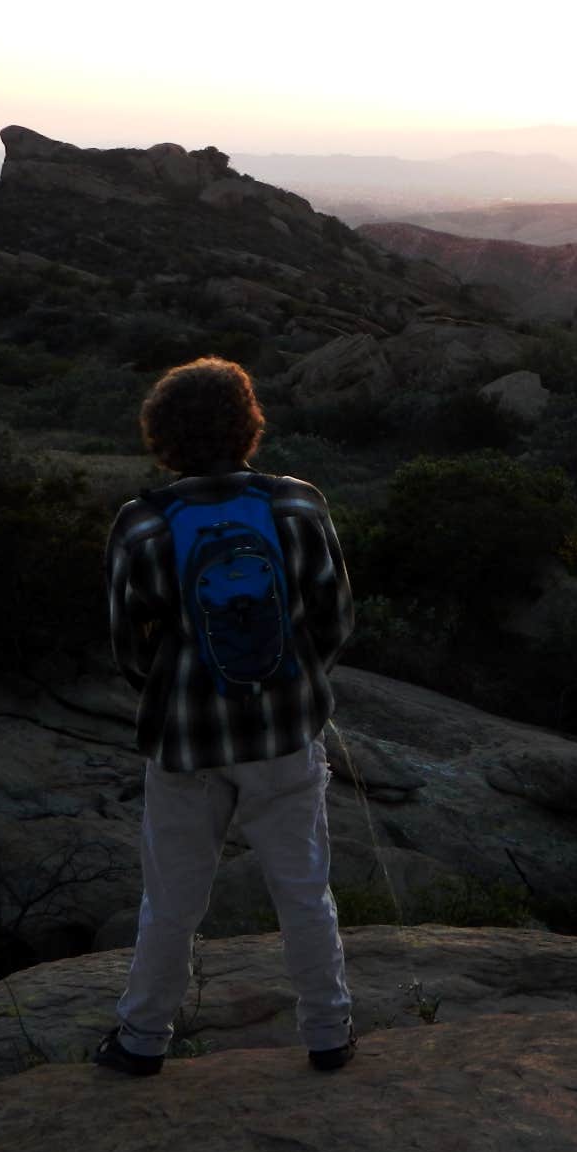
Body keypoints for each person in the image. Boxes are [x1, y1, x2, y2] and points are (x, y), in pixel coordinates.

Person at [95, 356, 358, 1075]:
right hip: (283, 732)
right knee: (303, 887)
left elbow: (127, 644)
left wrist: (181, 688)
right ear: (248, 427)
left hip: (184, 742)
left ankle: (143, 1039)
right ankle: (328, 1033)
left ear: (164, 436)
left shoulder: (142, 522)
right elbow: (334, 619)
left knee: (173, 898)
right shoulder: (298, 503)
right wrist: (292, 683)